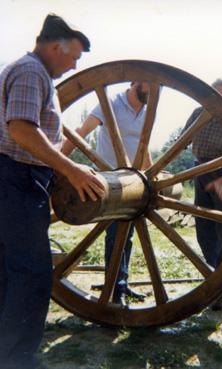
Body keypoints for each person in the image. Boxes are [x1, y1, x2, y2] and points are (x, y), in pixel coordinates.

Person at [0, 14, 105, 369]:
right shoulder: (31, 72)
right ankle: (16, 359)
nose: (74, 64)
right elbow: (22, 130)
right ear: (54, 46)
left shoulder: (33, 72)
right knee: (31, 271)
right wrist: (71, 170)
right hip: (15, 179)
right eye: (73, 56)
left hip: (15, 178)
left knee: (10, 270)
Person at [62, 81, 152, 305]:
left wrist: (152, 174)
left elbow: (144, 144)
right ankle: (116, 288)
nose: (154, 91)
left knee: (127, 235)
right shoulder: (110, 104)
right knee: (116, 235)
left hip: (134, 181)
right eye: (150, 85)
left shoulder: (146, 110)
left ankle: (121, 282)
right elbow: (82, 133)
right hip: (110, 181)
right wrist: (59, 163)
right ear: (135, 83)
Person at [183, 78, 222, 311]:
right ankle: (214, 278)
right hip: (202, 171)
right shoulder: (198, 113)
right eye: (219, 96)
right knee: (205, 231)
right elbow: (183, 141)